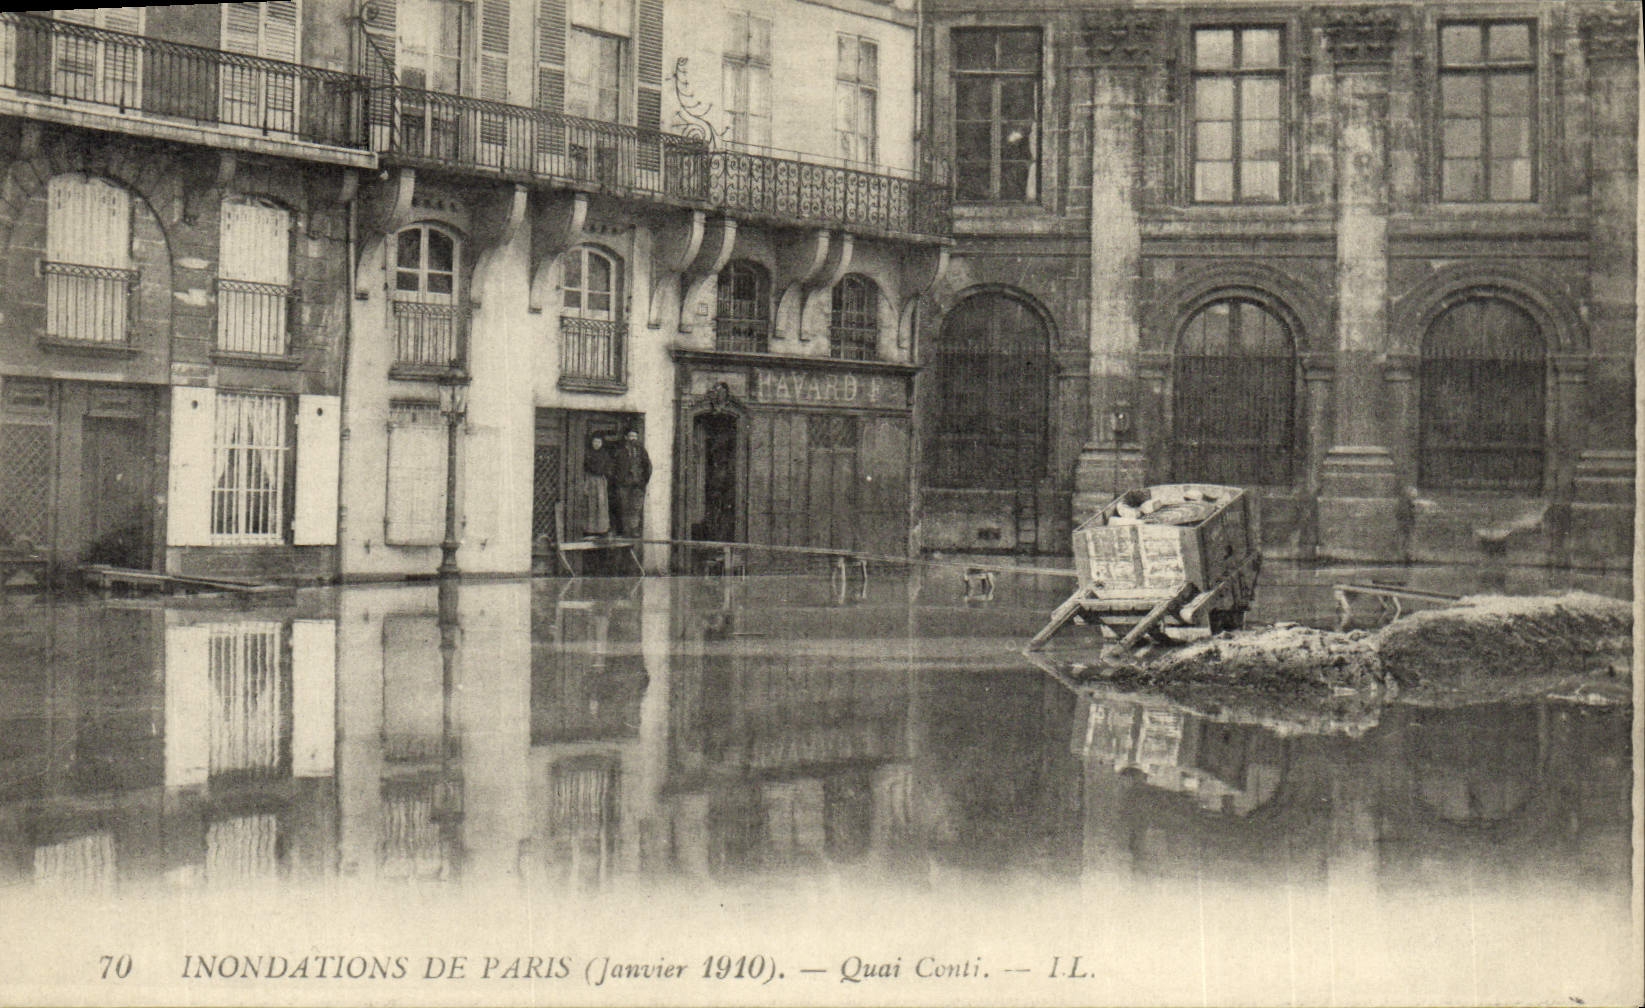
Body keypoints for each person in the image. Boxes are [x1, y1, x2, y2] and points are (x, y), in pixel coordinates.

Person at [609, 427, 652, 538]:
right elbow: (612, 467)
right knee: (623, 507)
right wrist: (618, 480)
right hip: (623, 484)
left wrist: (643, 481)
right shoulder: (619, 451)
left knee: (636, 508)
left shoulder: (641, 451)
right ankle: (625, 530)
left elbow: (648, 466)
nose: (633, 438)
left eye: (635, 436)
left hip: (637, 485)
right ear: (626, 437)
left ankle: (634, 529)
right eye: (631, 436)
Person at [581, 434, 612, 537]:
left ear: (602, 443)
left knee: (601, 504)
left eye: (599, 442)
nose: (596, 444)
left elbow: (608, 467)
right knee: (590, 504)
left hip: (600, 481)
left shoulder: (605, 455)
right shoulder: (587, 453)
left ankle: (601, 529)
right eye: (595, 441)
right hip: (590, 480)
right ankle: (589, 529)